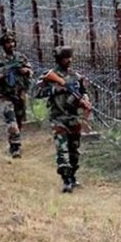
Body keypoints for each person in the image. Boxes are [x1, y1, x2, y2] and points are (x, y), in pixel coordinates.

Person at [34, 46, 91, 193]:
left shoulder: (76, 76)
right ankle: (66, 180)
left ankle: (72, 177)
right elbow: (36, 92)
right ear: (59, 59)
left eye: (70, 57)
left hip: (73, 118)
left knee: (74, 151)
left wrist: (84, 101)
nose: (69, 60)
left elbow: (83, 92)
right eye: (66, 58)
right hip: (58, 118)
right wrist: (55, 90)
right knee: (62, 150)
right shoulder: (50, 75)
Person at [0, 31, 33, 158]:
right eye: (8, 42)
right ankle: (16, 148)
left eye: (12, 42)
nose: (11, 44)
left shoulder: (21, 58)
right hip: (5, 95)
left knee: (19, 122)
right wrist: (0, 76)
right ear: (3, 44)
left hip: (19, 94)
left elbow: (30, 71)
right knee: (11, 121)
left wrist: (26, 71)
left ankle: (14, 143)